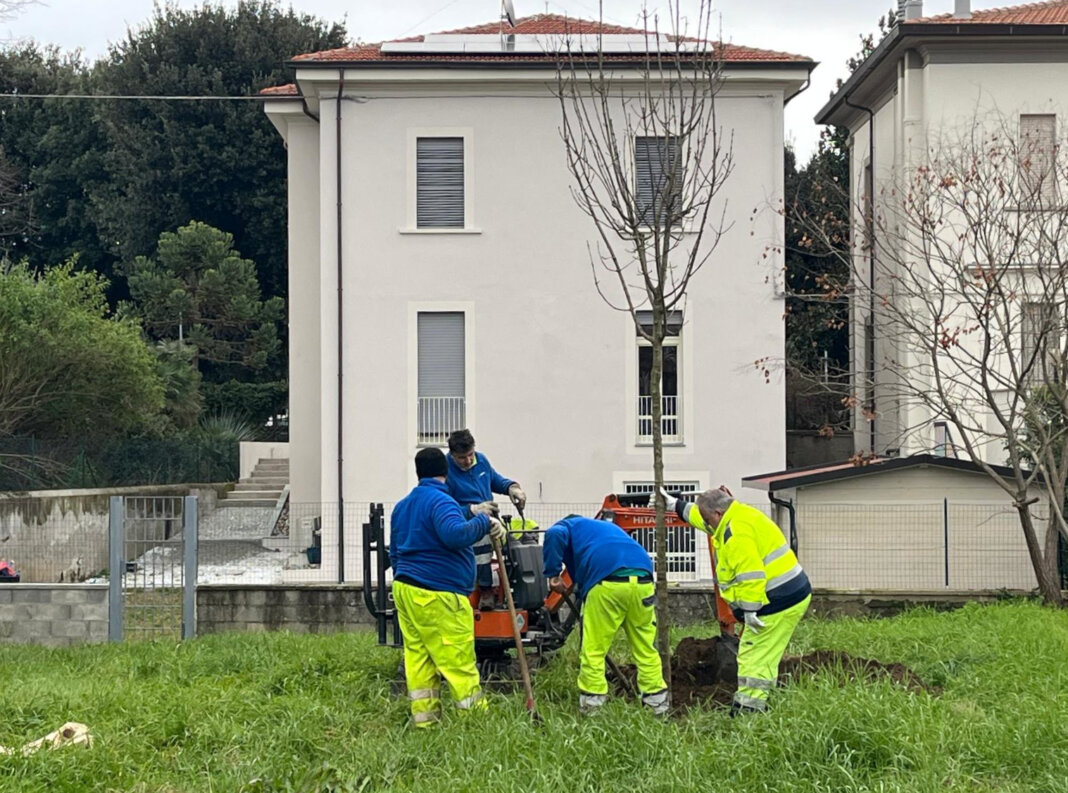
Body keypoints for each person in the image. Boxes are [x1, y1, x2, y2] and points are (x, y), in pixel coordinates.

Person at [661, 486, 811, 715]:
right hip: (789, 593)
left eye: (708, 519)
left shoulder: (735, 533)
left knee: (752, 656)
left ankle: (747, 713)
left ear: (718, 514)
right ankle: (760, 704)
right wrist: (675, 506)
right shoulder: (737, 515)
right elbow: (701, 518)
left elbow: (751, 574)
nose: (706, 525)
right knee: (765, 654)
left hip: (774, 601)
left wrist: (750, 611)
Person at [390, 447, 507, 727]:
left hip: (406, 589)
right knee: (458, 660)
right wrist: (484, 521)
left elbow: (394, 552)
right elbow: (454, 534)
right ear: (446, 471)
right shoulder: (442, 501)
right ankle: (477, 725)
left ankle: (425, 722)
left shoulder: (403, 506)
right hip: (439, 593)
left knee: (419, 659)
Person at [542, 514, 670, 716]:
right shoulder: (604, 529)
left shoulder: (568, 526)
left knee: (593, 649)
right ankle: (658, 706)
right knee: (645, 647)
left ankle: (592, 708)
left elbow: (553, 533)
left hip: (608, 583)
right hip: (643, 580)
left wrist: (553, 574)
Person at [445, 428, 526, 609]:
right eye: (462, 458)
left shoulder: (481, 461)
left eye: (470, 455)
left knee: (516, 549)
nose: (467, 461)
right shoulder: (445, 471)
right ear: (452, 455)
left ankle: (514, 594)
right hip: (464, 524)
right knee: (481, 549)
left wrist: (512, 488)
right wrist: (471, 510)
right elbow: (442, 507)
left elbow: (495, 480)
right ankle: (485, 590)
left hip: (491, 519)